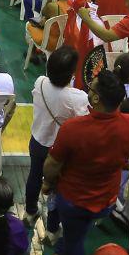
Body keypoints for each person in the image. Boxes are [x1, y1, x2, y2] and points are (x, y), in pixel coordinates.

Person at [41, 70, 129, 255]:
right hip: (106, 201)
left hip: (74, 201)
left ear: (95, 98)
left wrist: (47, 182)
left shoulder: (73, 129)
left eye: (90, 87)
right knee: (80, 231)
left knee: (76, 245)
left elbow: (52, 165)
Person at [26, 47, 88, 226]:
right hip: (60, 150)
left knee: (34, 175)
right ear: (71, 73)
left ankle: (30, 211)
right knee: (57, 186)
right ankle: (53, 226)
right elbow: (81, 123)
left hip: (38, 140)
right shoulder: (78, 98)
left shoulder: (40, 82)